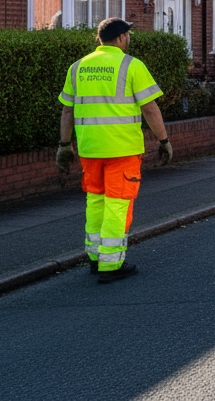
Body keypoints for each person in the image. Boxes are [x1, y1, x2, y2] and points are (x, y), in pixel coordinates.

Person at [56, 18, 171, 283]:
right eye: (128, 35)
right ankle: (110, 265)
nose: (129, 39)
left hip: (89, 148)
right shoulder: (131, 65)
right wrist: (164, 141)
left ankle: (96, 257)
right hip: (122, 149)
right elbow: (150, 108)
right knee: (119, 205)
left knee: (96, 202)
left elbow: (67, 110)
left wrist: (64, 145)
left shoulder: (77, 68)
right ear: (120, 38)